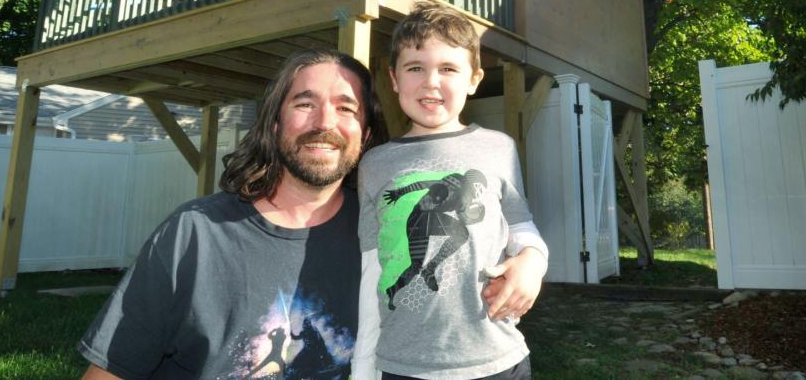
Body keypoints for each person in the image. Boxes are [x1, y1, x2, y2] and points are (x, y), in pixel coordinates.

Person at [79, 48, 534, 380]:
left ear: (366, 132)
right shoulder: (193, 235)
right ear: (274, 123)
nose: (324, 123)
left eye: (346, 108)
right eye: (304, 103)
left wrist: (530, 260)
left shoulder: (380, 236)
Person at [353, 3, 549, 380]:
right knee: (411, 264)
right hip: (402, 365)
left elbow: (522, 226)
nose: (431, 82)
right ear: (394, 79)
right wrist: (363, 368)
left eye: (448, 69)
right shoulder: (374, 163)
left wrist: (533, 263)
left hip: (497, 359)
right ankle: (422, 270)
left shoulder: (499, 147)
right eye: (415, 68)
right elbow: (371, 269)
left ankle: (429, 266)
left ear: (473, 79)